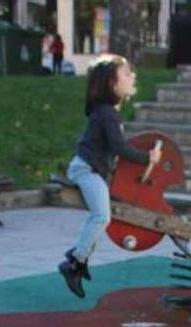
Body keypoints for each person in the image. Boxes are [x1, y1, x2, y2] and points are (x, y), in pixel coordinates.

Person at [59, 54, 162, 298]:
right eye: (127, 74)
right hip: (86, 168)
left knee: (101, 216)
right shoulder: (106, 113)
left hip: (92, 167)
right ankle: (74, 262)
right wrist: (148, 158)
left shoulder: (108, 113)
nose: (133, 76)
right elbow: (120, 148)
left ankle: (78, 259)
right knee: (101, 216)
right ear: (113, 85)